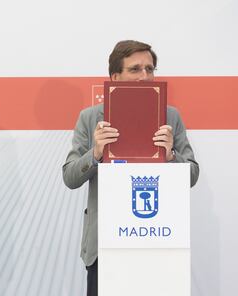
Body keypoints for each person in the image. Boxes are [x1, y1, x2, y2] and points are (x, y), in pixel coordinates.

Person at [62, 40, 199, 296]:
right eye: (135, 69)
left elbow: (191, 176)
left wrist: (171, 156)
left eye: (150, 69)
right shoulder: (90, 117)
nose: (145, 76)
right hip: (105, 245)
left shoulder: (171, 116)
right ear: (115, 76)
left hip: (158, 239)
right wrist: (95, 154)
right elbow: (70, 177)